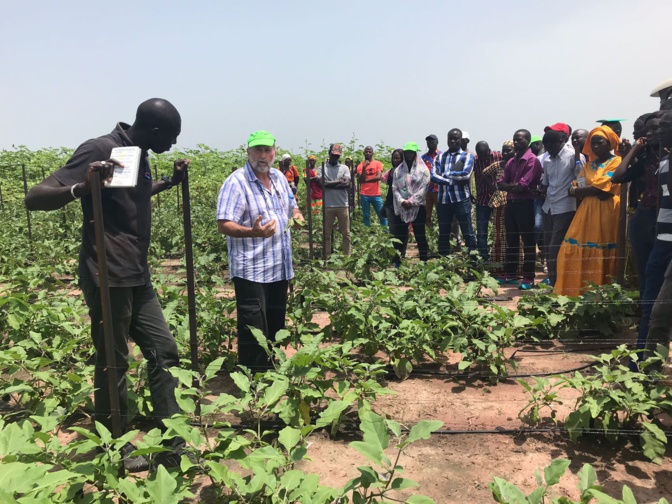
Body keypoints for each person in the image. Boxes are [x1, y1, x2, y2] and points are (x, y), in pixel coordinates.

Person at [24, 98, 189, 471]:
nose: (174, 145)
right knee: (114, 361)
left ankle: (172, 441)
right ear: (157, 131)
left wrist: (169, 182)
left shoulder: (138, 154)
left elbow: (130, 200)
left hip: (137, 274)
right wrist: (82, 187)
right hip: (106, 274)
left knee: (165, 352)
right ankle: (114, 444)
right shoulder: (99, 149)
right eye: (173, 137)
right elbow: (33, 198)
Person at [216, 130, 304, 371]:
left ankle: (271, 369)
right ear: (248, 152)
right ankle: (253, 380)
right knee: (253, 327)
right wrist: (252, 232)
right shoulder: (236, 182)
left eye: (267, 150)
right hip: (251, 270)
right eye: (258, 150)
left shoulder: (279, 178)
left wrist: (296, 215)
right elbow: (223, 224)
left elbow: (292, 206)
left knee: (275, 325)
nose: (263, 156)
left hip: (279, 267)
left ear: (274, 152)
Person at [554, 126, 623, 296]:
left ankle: (602, 293)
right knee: (573, 245)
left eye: (600, 142)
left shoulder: (616, 162)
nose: (595, 145)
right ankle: (576, 290)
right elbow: (579, 185)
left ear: (610, 144)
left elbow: (603, 187)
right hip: (586, 211)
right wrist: (585, 190)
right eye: (593, 143)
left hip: (607, 211)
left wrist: (584, 190)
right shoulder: (590, 164)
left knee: (602, 246)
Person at [612, 112, 662, 297]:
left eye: (655, 129)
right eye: (647, 131)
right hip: (645, 217)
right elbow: (618, 177)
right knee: (645, 271)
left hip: (663, 219)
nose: (649, 134)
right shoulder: (647, 159)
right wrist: (634, 151)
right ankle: (646, 316)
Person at [635, 109, 672, 352]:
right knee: (651, 307)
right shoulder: (665, 163)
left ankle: (646, 366)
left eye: (665, 127)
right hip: (662, 242)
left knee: (659, 312)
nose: (659, 131)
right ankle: (641, 364)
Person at [496, 129, 543, 290]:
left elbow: (523, 186)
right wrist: (513, 187)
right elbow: (500, 183)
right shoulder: (511, 162)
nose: (516, 142)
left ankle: (529, 277)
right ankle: (511, 274)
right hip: (512, 204)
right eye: (515, 139)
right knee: (512, 240)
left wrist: (511, 187)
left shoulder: (532, 160)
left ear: (528, 141)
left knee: (528, 242)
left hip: (526, 204)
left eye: (520, 140)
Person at [538, 127, 577, 286]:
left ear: (561, 142)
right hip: (549, 207)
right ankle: (554, 282)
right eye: (546, 148)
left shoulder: (573, 158)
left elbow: (580, 180)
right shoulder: (547, 161)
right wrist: (539, 189)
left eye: (551, 147)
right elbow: (546, 184)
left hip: (565, 207)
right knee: (548, 247)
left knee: (556, 247)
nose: (549, 151)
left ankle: (558, 284)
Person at [431, 128, 477, 257]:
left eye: (455, 138)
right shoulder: (440, 157)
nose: (452, 141)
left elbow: (465, 175)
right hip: (443, 200)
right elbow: (433, 177)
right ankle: (443, 261)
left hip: (461, 199)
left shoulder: (467, 156)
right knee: (444, 233)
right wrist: (452, 180)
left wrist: (445, 175)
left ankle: (473, 260)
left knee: (467, 231)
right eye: (450, 138)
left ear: (460, 140)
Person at [390, 142, 431, 265]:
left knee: (420, 235)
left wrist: (412, 201)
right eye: (407, 152)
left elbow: (424, 187)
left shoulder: (423, 170)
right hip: (402, 207)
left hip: (417, 207)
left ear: (415, 154)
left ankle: (423, 261)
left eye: (411, 152)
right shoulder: (398, 170)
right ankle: (397, 262)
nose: (408, 155)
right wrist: (402, 201)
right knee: (400, 235)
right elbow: (394, 188)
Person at [318, 144, 351, 258]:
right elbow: (322, 184)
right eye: (333, 155)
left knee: (346, 233)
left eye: (337, 155)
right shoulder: (322, 168)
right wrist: (339, 181)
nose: (335, 157)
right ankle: (327, 256)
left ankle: (347, 257)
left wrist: (329, 184)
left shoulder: (344, 168)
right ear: (329, 153)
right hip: (328, 205)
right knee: (326, 233)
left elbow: (346, 184)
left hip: (343, 205)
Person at [473, 141, 502, 262]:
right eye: (480, 155)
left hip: (498, 198)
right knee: (481, 231)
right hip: (482, 199)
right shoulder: (475, 159)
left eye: (484, 155)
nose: (482, 158)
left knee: (499, 230)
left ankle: (498, 258)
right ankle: (484, 258)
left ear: (489, 150)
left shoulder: (498, 156)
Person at [356, 146, 387, 227]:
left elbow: (379, 177)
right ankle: (367, 233)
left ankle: (386, 232)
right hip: (364, 194)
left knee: (382, 215)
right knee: (366, 216)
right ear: (364, 153)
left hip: (376, 194)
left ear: (373, 153)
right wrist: (364, 167)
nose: (368, 153)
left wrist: (366, 180)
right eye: (366, 152)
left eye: (370, 152)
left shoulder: (378, 164)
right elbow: (361, 179)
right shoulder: (360, 166)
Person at [382, 148, 404, 238]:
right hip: (390, 203)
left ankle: (402, 251)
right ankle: (394, 250)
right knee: (392, 229)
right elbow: (384, 180)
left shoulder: (406, 171)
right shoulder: (391, 171)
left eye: (398, 158)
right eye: (394, 158)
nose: (395, 160)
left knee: (402, 229)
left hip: (402, 203)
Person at [421, 134, 442, 227]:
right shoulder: (423, 157)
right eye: (428, 142)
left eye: (432, 141)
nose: (430, 143)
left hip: (439, 190)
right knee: (426, 214)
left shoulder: (442, 155)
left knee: (441, 214)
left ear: (437, 142)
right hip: (427, 190)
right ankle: (429, 234)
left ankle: (442, 234)